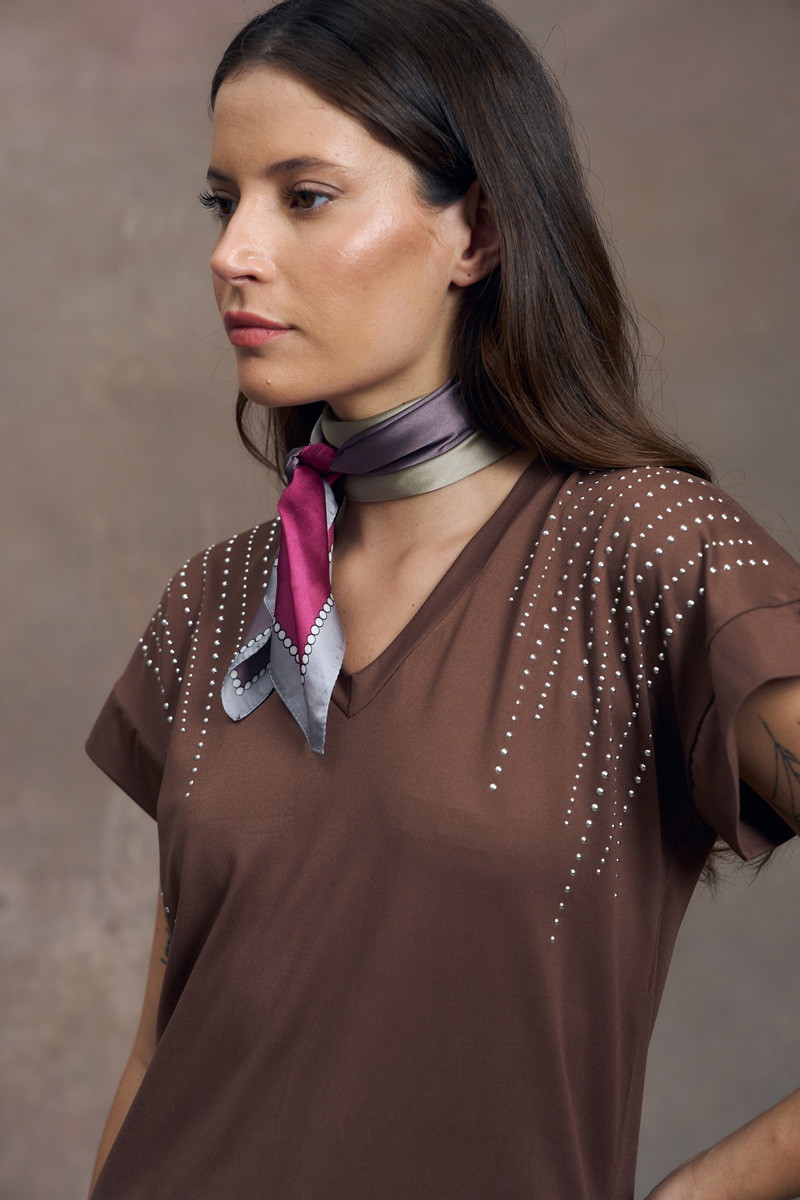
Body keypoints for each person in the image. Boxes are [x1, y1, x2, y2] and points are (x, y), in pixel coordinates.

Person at [84, 0, 800, 1196]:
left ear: (476, 231)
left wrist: (702, 1193)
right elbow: (161, 1054)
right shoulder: (215, 601)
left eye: (304, 196)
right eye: (223, 202)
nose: (231, 252)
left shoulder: (652, 556)